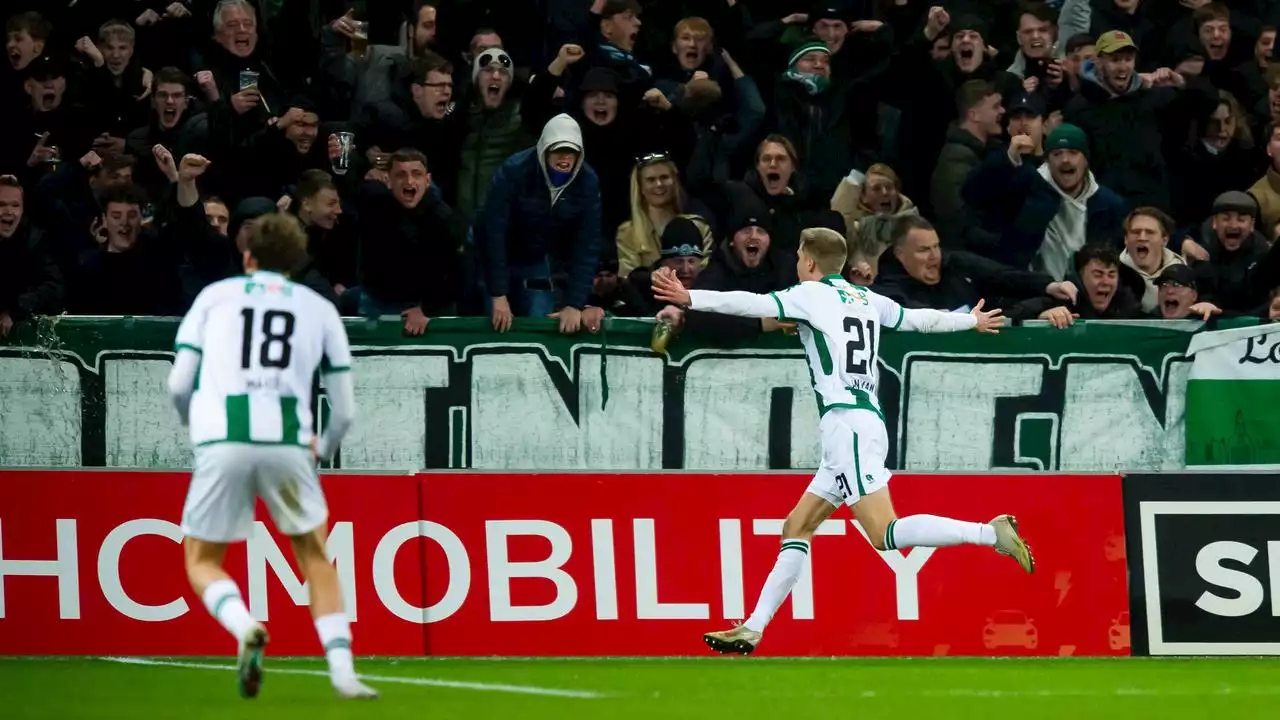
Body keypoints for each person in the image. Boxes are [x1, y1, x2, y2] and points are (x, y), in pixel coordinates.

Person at [650, 226, 1035, 655]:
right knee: (798, 526)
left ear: (810, 262)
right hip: (859, 422)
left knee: (884, 533)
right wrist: (971, 320)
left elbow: (752, 304)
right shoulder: (868, 299)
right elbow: (920, 319)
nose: (797, 264)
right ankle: (753, 628)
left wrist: (691, 298)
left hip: (847, 426)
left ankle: (989, 533)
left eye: (799, 256)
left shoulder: (809, 294)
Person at [165, 212, 376, 700]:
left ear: (246, 256)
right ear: (297, 261)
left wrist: (196, 428)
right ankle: (343, 672)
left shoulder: (214, 298)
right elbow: (343, 408)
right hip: (288, 443)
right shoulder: (318, 308)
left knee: (201, 561)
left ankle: (244, 627)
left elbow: (179, 383)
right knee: (315, 556)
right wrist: (321, 446)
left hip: (224, 440)